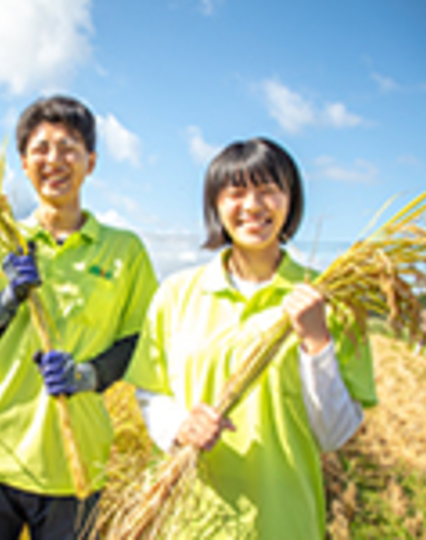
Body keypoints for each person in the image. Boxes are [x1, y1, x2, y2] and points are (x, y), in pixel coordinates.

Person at [125, 137, 377, 538]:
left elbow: (334, 434)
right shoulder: (177, 293)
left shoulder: (331, 301)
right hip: (192, 520)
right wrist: (179, 426)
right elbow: (150, 392)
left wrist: (317, 342)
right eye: (236, 193)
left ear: (290, 200)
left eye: (268, 191)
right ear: (216, 205)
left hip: (282, 519)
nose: (253, 206)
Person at [0, 95, 158, 540]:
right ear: (24, 162)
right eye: (41, 148)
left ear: (91, 162)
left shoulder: (124, 251)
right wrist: (4, 302)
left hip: (76, 462)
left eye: (69, 147)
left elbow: (137, 341)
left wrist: (86, 375)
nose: (54, 159)